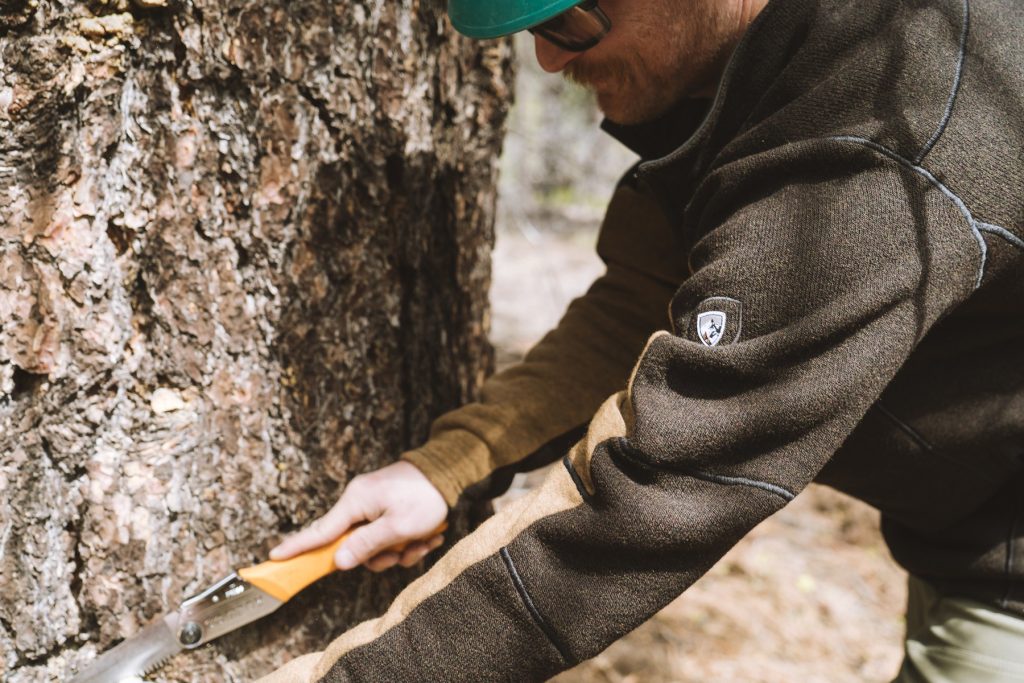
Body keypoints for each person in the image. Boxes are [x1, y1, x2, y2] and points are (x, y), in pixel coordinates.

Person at [260, 0, 1024, 680]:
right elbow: (646, 299)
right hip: (965, 524)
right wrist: (451, 463)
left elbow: (650, 499)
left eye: (569, 20)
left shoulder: (873, 150)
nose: (549, 57)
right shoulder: (767, 68)